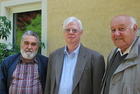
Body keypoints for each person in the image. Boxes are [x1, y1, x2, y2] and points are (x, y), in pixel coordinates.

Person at [44, 17, 105, 94]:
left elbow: (97, 90)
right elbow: (48, 87)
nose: (71, 33)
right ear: (64, 33)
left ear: (81, 33)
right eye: (67, 30)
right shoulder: (54, 56)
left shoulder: (95, 58)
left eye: (74, 30)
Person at [101, 15, 140, 94]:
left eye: (121, 29)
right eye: (113, 30)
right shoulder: (113, 53)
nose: (117, 34)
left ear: (134, 29)